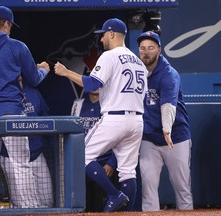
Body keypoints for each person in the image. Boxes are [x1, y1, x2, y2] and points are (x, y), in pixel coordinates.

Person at [54, 18, 148, 212]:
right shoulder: (138, 61)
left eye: (104, 34)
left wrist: (66, 73)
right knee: (128, 172)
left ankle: (113, 194)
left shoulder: (109, 55)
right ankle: (126, 212)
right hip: (137, 120)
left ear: (112, 34)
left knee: (82, 155)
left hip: (114, 117)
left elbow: (91, 85)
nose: (102, 39)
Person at [0, 6, 50, 209]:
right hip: (11, 114)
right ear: (6, 24)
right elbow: (33, 79)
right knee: (21, 165)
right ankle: (29, 211)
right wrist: (43, 70)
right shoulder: (16, 46)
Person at [137, 31, 193, 211]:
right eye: (142, 48)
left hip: (175, 138)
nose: (146, 52)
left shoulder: (169, 73)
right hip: (149, 138)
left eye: (151, 48)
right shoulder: (136, 72)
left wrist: (166, 130)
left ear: (159, 50)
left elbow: (168, 104)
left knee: (182, 188)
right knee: (148, 188)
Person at [0, 76, 54, 208]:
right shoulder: (0, 94)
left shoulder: (33, 93)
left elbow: (46, 118)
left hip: (36, 154)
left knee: (47, 200)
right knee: (21, 204)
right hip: (11, 157)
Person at [71, 90, 119, 212]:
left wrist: (111, 162)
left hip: (103, 165)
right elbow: (70, 132)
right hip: (81, 164)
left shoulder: (111, 104)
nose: (96, 87)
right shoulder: (78, 104)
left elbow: (119, 136)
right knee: (84, 206)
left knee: (101, 206)